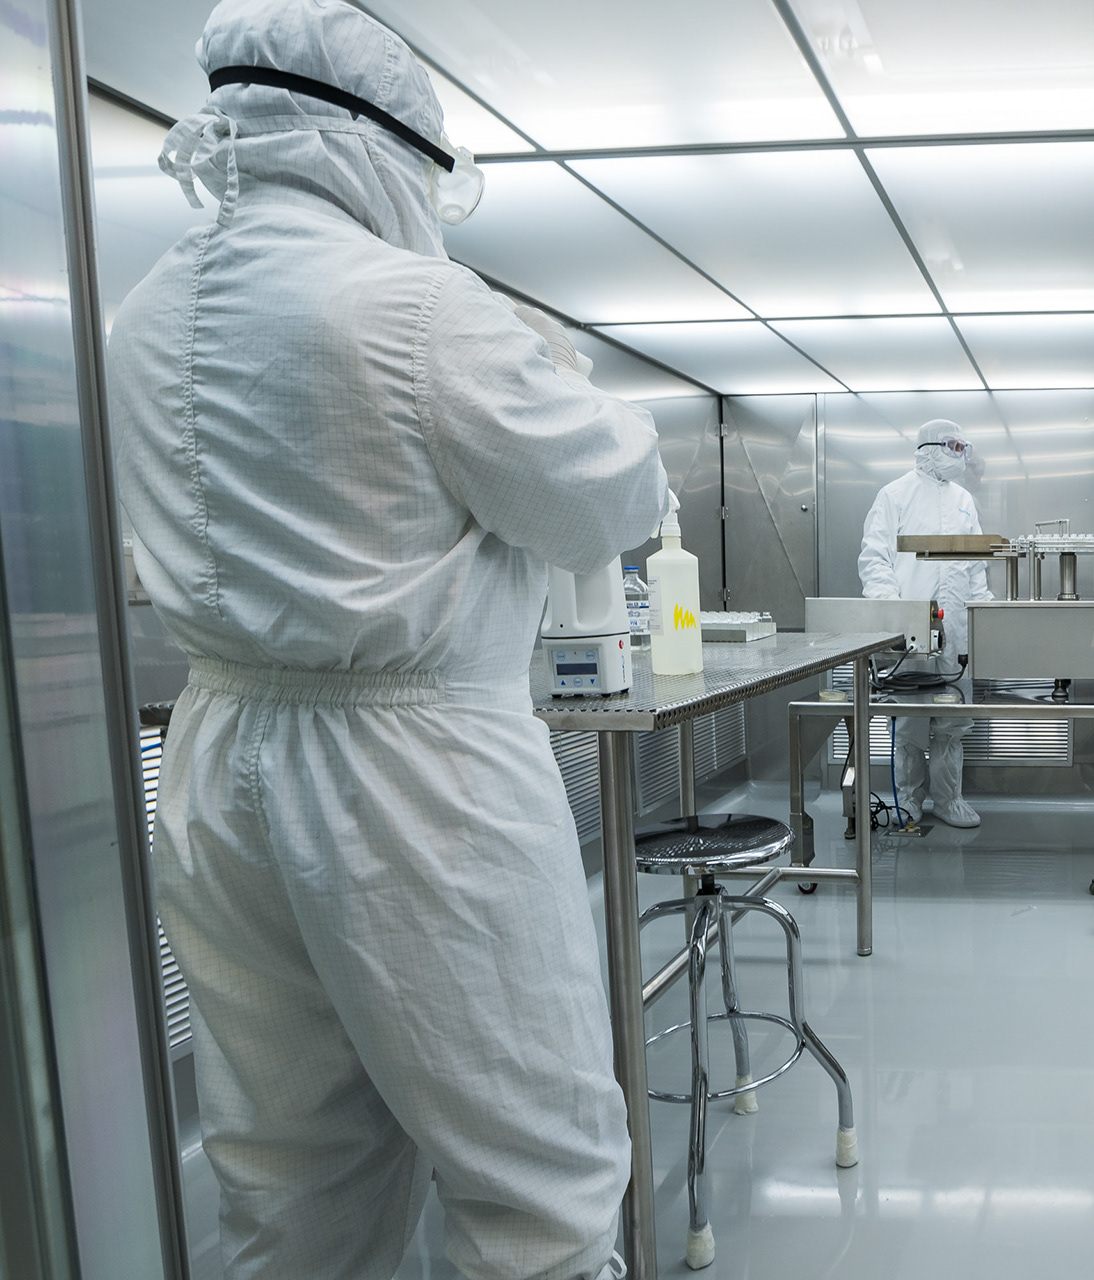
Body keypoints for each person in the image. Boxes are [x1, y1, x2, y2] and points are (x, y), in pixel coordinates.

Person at [105, 3, 666, 1278]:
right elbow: (606, 501)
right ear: (366, 145)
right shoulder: (417, 306)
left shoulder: (143, 313)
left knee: (292, 1173)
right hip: (415, 781)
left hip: (216, 762)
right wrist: (569, 385)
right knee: (536, 1181)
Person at [858, 420, 994, 827]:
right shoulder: (894, 495)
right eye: (954, 446)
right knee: (909, 722)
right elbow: (875, 560)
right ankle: (908, 801)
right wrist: (896, 616)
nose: (961, 455)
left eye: (964, 448)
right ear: (929, 448)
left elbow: (975, 567)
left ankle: (949, 800)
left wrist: (983, 614)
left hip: (956, 631)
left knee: (952, 722)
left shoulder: (964, 500)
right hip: (910, 633)